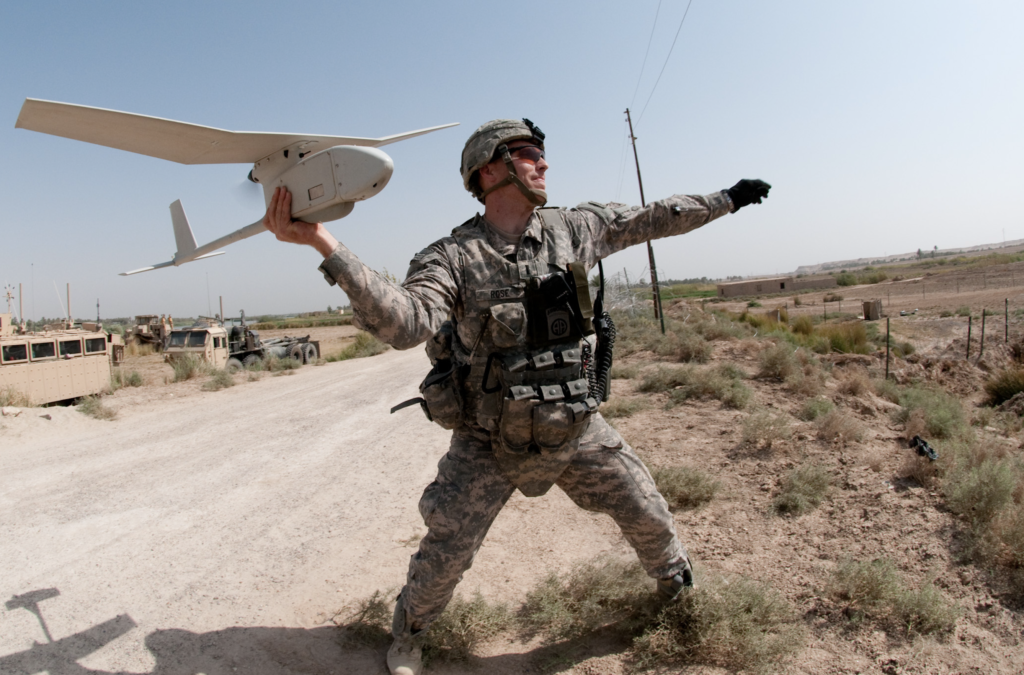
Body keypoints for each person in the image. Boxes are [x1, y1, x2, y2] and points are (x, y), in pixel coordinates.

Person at [263, 118, 770, 675]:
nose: (544, 164)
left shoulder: (575, 229)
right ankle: (408, 634)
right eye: (529, 154)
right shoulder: (451, 258)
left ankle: (679, 591)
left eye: (541, 154)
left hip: (575, 425)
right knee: (446, 549)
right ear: (489, 169)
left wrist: (726, 199)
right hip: (487, 439)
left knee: (645, 508)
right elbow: (405, 323)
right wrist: (320, 240)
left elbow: (653, 218)